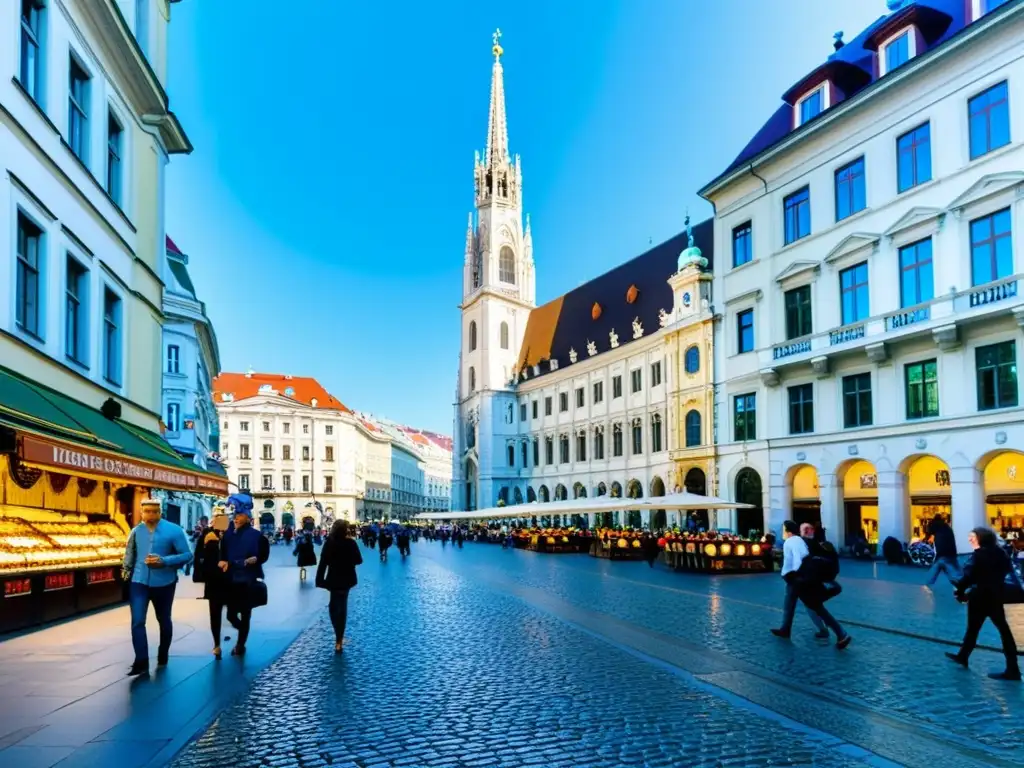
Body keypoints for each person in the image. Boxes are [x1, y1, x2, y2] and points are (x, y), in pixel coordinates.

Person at [122, 499, 194, 676]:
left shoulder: (174, 531)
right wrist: (126, 569)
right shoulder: (136, 531)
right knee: (137, 621)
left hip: (164, 582)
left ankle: (163, 653)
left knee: (164, 619)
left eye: (154, 511)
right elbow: (129, 552)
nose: (151, 515)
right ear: (141, 512)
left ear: (160, 512)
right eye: (147, 511)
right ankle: (141, 661)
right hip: (139, 581)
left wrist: (165, 561)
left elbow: (187, 554)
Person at [946, 527, 1021, 681]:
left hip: (979, 596)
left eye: (973, 537)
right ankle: (1012, 666)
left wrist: (960, 590)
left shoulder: (979, 555)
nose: (971, 540)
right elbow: (1008, 572)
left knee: (973, 628)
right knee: (1003, 631)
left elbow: (969, 576)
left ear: (981, 539)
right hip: (996, 595)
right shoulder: (1001, 554)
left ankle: (965, 656)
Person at [218, 495, 270, 657]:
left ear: (247, 518)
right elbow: (222, 552)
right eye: (235, 516)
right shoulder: (227, 534)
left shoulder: (257, 536)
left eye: (239, 516)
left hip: (248, 579)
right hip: (231, 579)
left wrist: (257, 559)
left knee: (246, 613)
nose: (236, 519)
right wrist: (222, 561)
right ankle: (243, 631)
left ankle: (240, 644)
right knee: (231, 614)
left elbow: (263, 554)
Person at [771, 521, 828, 640]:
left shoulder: (791, 541)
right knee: (807, 605)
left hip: (795, 579)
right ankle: (821, 628)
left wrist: (796, 575)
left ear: (788, 531)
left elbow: (799, 559)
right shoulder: (799, 540)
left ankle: (786, 629)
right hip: (798, 578)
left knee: (796, 605)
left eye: (784, 530)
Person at [316, 520, 364, 653]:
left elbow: (323, 563)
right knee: (342, 607)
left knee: (333, 606)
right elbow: (359, 560)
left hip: (333, 578)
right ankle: (339, 640)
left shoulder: (329, 543)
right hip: (347, 579)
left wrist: (319, 580)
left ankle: (337, 635)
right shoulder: (351, 543)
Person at [193, 511, 231, 659]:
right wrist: (200, 574)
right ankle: (216, 644)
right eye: (216, 519)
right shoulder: (207, 535)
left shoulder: (231, 535)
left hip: (230, 579)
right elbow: (199, 555)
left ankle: (239, 632)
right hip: (213, 580)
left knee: (232, 612)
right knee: (214, 613)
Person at [926, 515, 961, 586]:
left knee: (939, 569)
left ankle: (928, 584)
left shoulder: (936, 528)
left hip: (943, 554)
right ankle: (962, 581)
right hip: (951, 552)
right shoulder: (946, 527)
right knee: (954, 569)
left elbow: (940, 542)